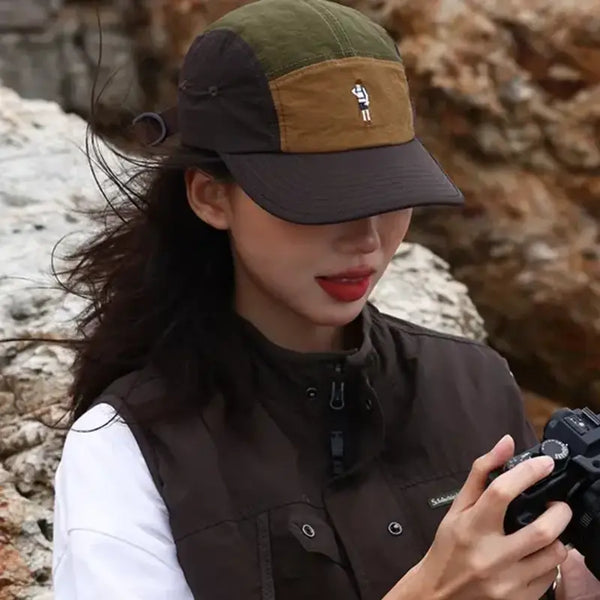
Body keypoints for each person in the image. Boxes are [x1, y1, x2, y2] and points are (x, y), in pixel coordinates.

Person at [51, 0, 598, 598]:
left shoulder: (475, 384)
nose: (366, 239)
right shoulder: (125, 451)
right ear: (211, 197)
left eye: (390, 193)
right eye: (322, 202)